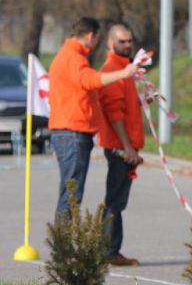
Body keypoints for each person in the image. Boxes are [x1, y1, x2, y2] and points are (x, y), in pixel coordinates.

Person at [49, 17, 138, 220]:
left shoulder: (69, 55)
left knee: (71, 193)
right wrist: (123, 73)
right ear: (91, 36)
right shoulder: (73, 58)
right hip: (72, 133)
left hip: (70, 132)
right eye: (97, 38)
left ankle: (64, 245)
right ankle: (62, 247)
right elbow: (91, 80)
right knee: (71, 195)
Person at [97, 24, 144, 266]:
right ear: (110, 43)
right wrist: (127, 147)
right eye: (122, 42)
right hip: (119, 148)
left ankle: (108, 249)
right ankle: (109, 251)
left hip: (126, 146)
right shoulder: (113, 70)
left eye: (129, 41)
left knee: (117, 200)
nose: (127, 45)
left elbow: (126, 107)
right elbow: (114, 113)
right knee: (115, 201)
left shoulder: (125, 70)